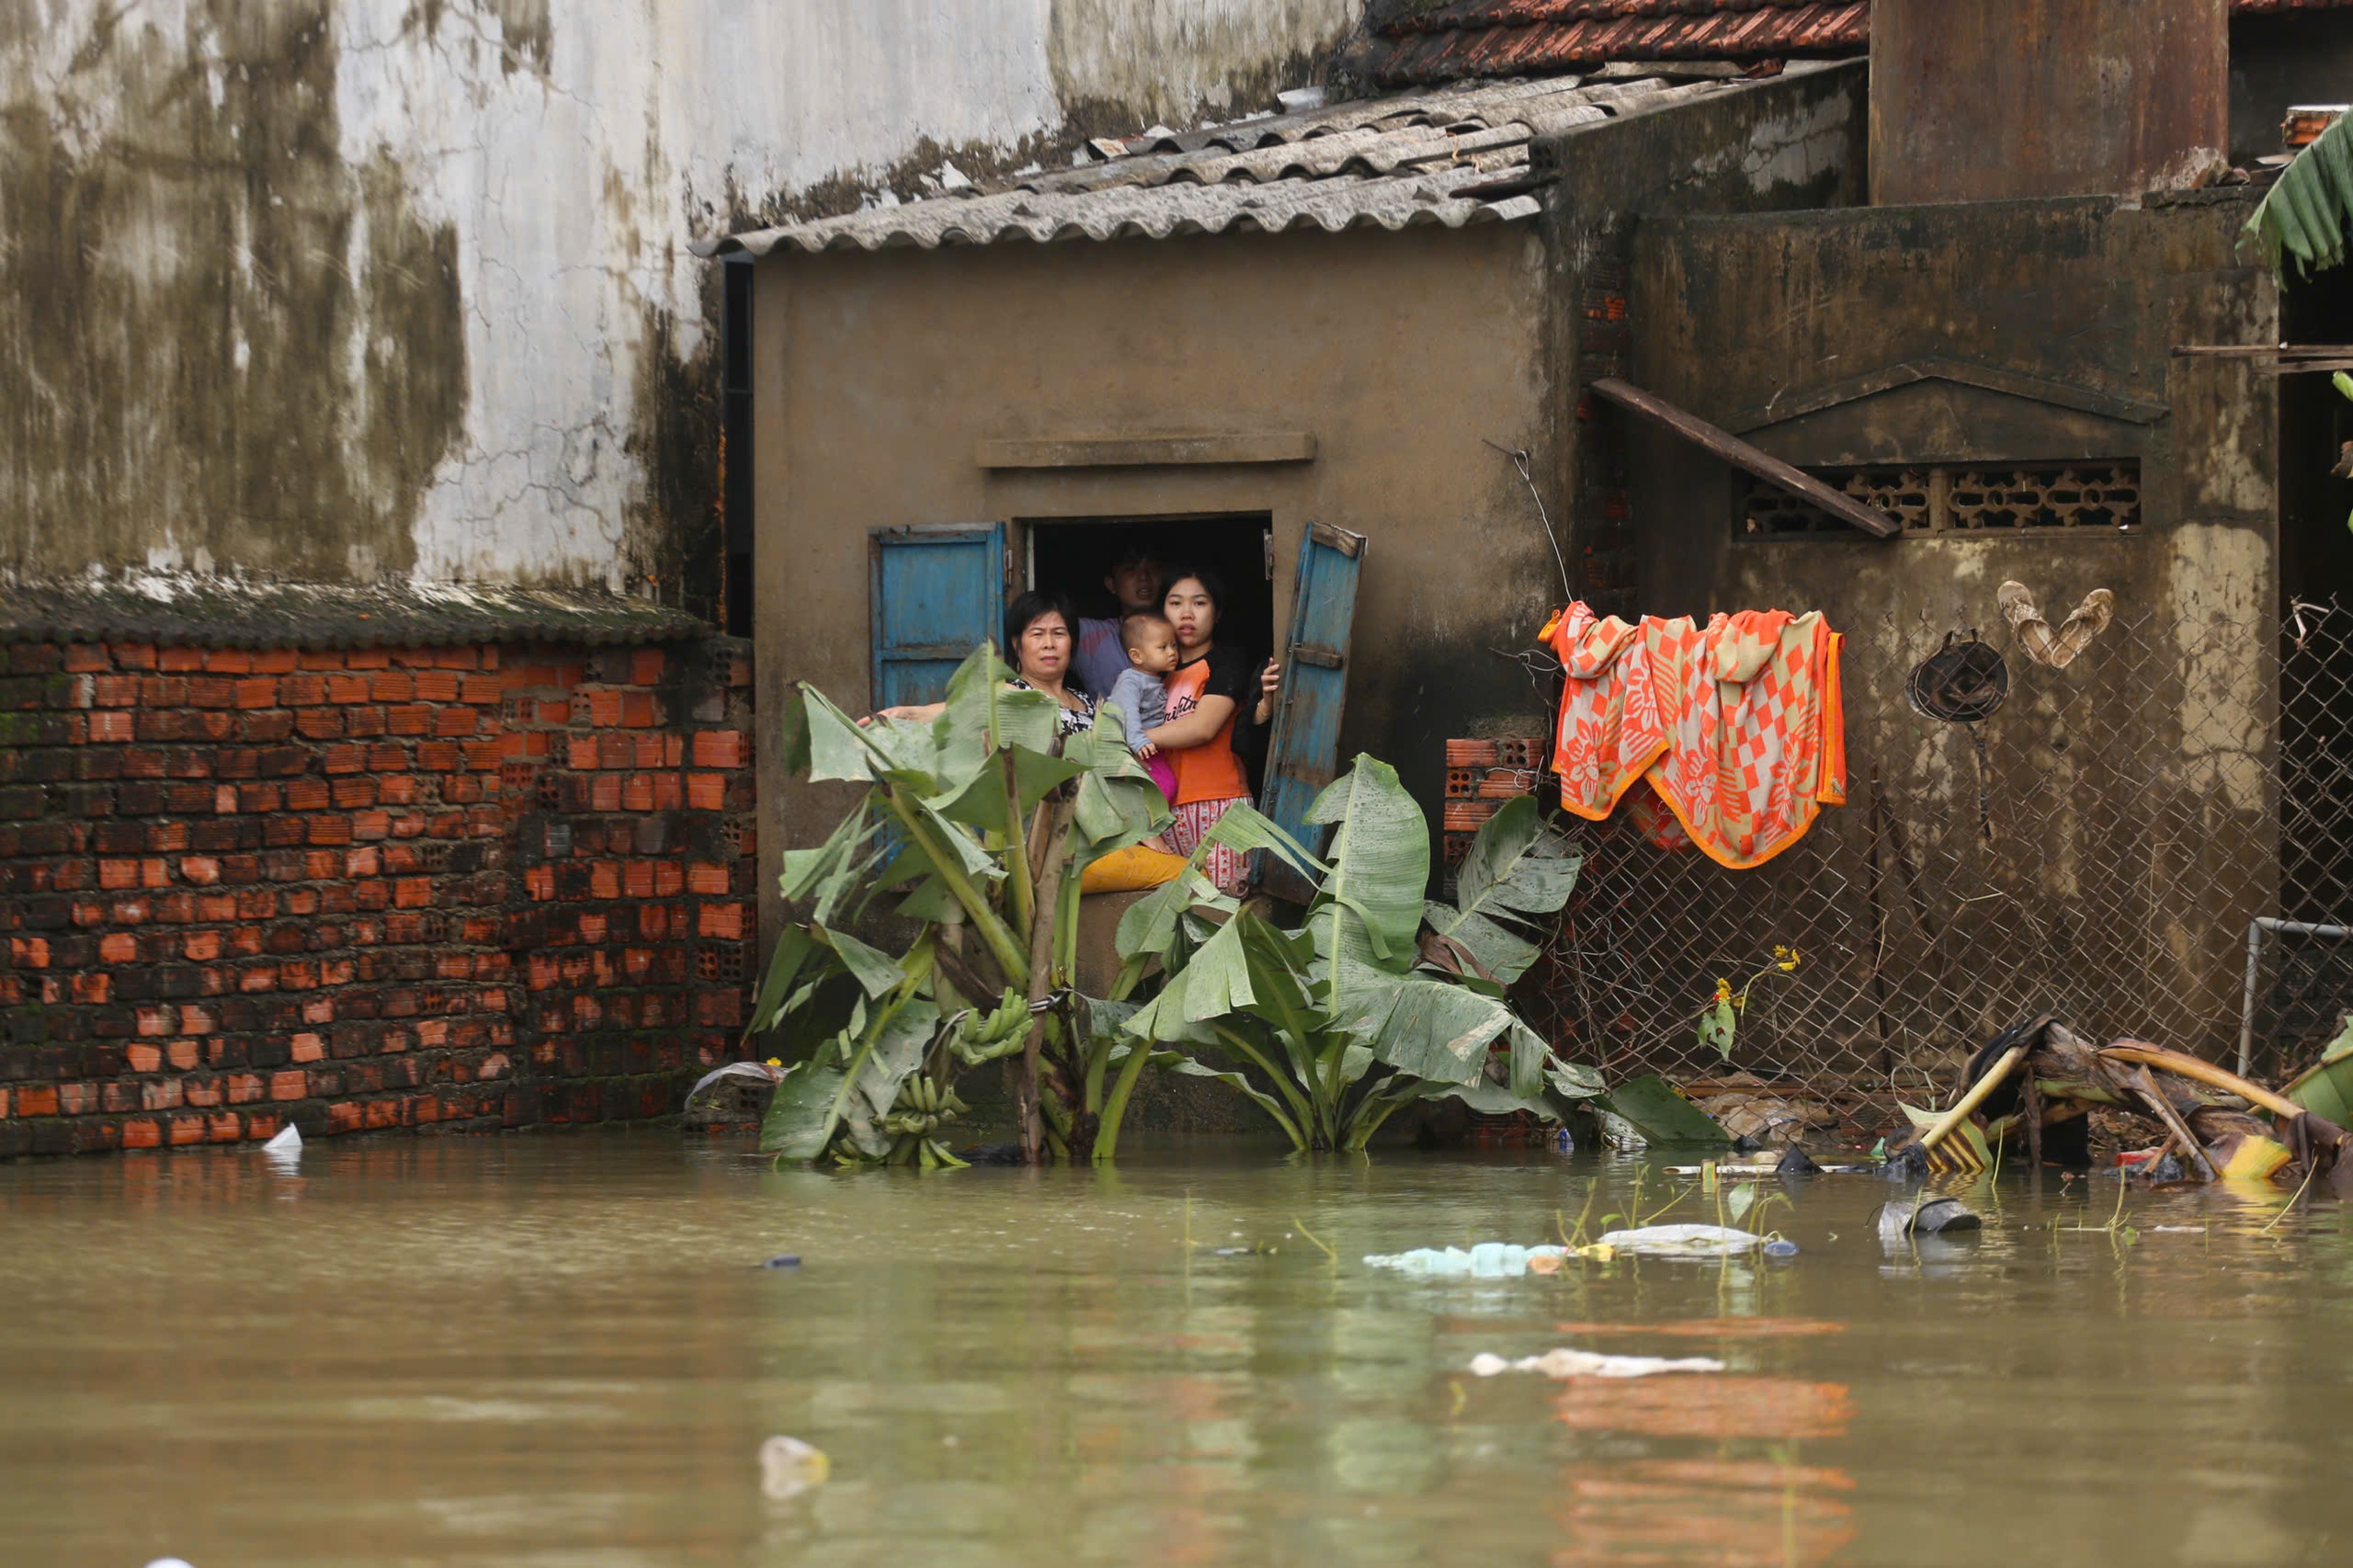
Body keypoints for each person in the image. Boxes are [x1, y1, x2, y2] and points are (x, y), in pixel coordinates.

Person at [1143, 567, 1279, 895]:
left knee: (1223, 912)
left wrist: (1137, 738)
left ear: (1216, 613)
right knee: (1178, 917)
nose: (1186, 613)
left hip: (1223, 807)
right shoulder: (1154, 676)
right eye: (1175, 603)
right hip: (1169, 816)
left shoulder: (1228, 660)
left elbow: (1204, 727)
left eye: (1199, 603)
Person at [867, 589, 1096, 736]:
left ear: (1072, 642)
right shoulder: (1012, 695)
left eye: (1059, 633)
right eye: (1037, 634)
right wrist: (904, 715)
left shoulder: (1085, 701)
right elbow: (954, 712)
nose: (1049, 643)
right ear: (1017, 644)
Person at [1105, 609, 1180, 802]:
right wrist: (1138, 741)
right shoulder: (1130, 679)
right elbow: (1127, 712)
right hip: (1140, 748)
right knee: (1164, 786)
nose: (1172, 652)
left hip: (1154, 747)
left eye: (1173, 645)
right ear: (1137, 656)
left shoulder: (1157, 679)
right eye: (1162, 647)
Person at [1074, 544, 1163, 698]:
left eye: (1153, 567)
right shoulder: (1091, 636)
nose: (1144, 577)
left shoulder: (1184, 629)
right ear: (1111, 584)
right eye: (1131, 568)